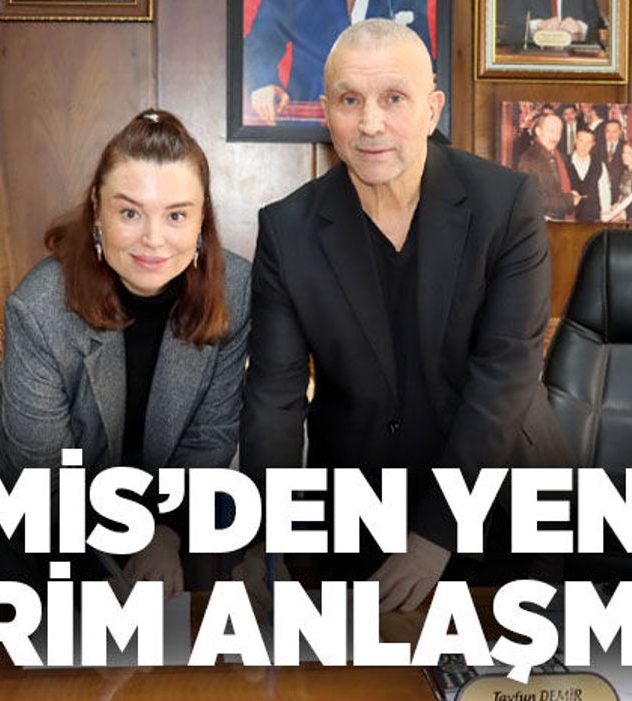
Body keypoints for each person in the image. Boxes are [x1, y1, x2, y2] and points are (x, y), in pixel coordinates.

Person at [238, 19, 572, 613]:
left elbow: (505, 377)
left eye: (393, 98)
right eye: (349, 100)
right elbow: (275, 401)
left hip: (504, 501)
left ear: (431, 108)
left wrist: (438, 532)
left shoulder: (505, 205)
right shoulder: (287, 230)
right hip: (359, 512)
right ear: (327, 113)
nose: (370, 123)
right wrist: (268, 536)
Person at [0, 110, 251, 594]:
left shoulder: (234, 291)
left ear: (203, 220)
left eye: (177, 215)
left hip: (158, 524)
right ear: (97, 211)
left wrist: (166, 531)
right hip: (25, 528)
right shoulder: (40, 307)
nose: (154, 239)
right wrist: (138, 540)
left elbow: (209, 440)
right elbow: (44, 477)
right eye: (130, 213)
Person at [244, 0, 432, 125]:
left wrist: (428, 78)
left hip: (382, 124)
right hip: (312, 122)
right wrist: (262, 84)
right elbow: (262, 40)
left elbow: (421, 55)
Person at [517, 113, 580, 221]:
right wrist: (569, 200)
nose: (556, 137)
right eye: (551, 131)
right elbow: (532, 200)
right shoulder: (529, 159)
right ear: (538, 131)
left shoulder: (559, 157)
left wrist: (571, 196)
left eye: (559, 132)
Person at [496, 0, 606, 47]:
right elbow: (508, 18)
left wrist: (581, 26)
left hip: (573, 57)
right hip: (532, 55)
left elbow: (596, 21)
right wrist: (539, 24)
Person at [569, 128, 611, 222]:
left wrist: (605, 213)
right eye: (581, 141)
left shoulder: (599, 164)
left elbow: (604, 191)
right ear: (575, 141)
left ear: (593, 144)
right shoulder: (565, 162)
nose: (584, 146)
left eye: (588, 142)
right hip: (570, 216)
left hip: (593, 216)